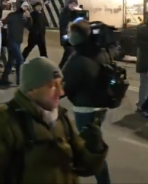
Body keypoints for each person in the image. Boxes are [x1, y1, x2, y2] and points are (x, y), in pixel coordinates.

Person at [0, 57, 108, 184]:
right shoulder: (4, 119)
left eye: (60, 84)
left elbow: (85, 168)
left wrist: (95, 149)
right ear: (31, 89)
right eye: (52, 86)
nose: (60, 92)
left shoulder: (61, 118)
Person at [61, 19, 113, 184]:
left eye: (70, 34)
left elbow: (64, 86)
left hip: (85, 108)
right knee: (93, 142)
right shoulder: (101, 52)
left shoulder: (77, 59)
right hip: (102, 106)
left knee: (89, 149)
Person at [0, 2, 32, 87]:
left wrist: (29, 17)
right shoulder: (12, 15)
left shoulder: (24, 16)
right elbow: (2, 23)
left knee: (11, 61)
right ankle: (19, 80)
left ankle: (4, 78)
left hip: (18, 41)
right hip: (12, 41)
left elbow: (29, 26)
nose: (25, 8)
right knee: (20, 60)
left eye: (27, 7)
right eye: (24, 6)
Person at [59, 0, 79, 68]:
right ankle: (61, 67)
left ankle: (63, 67)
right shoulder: (64, 13)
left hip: (72, 36)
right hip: (66, 36)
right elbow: (63, 25)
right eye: (72, 4)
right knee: (69, 51)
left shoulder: (76, 13)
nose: (73, 5)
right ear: (68, 4)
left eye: (75, 4)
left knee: (69, 52)